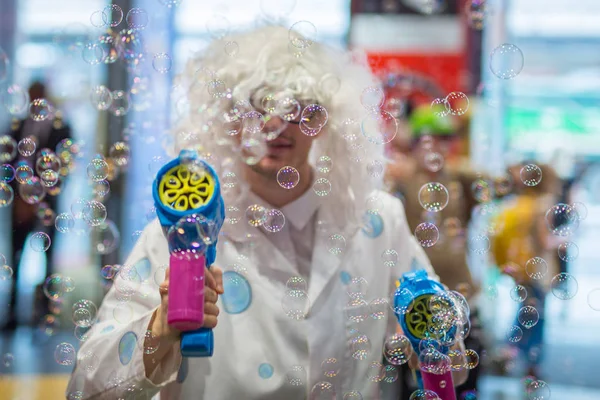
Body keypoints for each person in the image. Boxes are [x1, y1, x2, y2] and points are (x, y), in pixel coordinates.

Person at [67, 26, 468, 399]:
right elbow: (86, 385)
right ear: (226, 119)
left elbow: (452, 361)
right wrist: (160, 329)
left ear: (325, 119)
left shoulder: (379, 221)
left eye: (298, 106)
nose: (275, 124)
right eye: (257, 104)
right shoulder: (181, 232)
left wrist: (436, 344)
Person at [385, 105, 485, 399]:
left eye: (444, 139)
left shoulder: (459, 179)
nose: (436, 147)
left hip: (462, 299)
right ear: (413, 143)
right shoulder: (401, 181)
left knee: (466, 383)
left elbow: (492, 181)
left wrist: (463, 129)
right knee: (419, 388)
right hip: (417, 310)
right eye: (428, 139)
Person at [2, 81, 72, 331]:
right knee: (16, 257)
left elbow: (62, 169)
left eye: (38, 96)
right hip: (19, 205)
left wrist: (39, 199)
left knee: (48, 260)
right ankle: (11, 314)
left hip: (47, 205)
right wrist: (21, 199)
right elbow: (8, 165)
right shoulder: (17, 127)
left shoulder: (61, 128)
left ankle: (43, 314)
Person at [491, 162, 560, 379]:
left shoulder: (514, 206)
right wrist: (564, 239)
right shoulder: (543, 205)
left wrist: (503, 265)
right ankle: (526, 364)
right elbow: (545, 240)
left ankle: (510, 354)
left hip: (520, 270)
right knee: (536, 320)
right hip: (538, 270)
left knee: (526, 314)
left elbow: (498, 238)